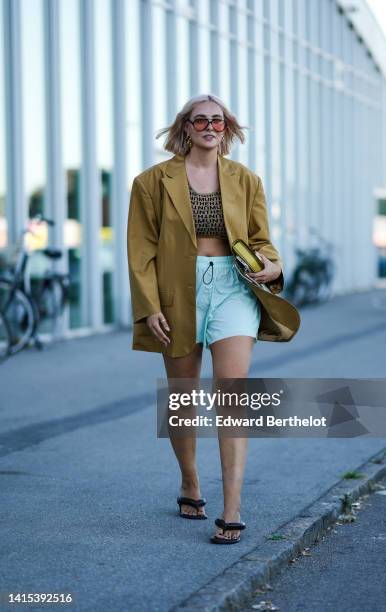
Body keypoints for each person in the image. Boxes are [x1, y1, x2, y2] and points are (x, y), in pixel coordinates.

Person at [127, 93, 290, 544]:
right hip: (177, 289)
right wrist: (149, 305)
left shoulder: (246, 180)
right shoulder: (151, 182)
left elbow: (262, 240)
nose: (210, 126)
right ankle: (189, 483)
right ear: (185, 126)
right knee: (181, 398)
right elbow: (140, 251)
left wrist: (272, 266)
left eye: (217, 120)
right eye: (200, 119)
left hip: (234, 287)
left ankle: (232, 509)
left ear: (227, 127)